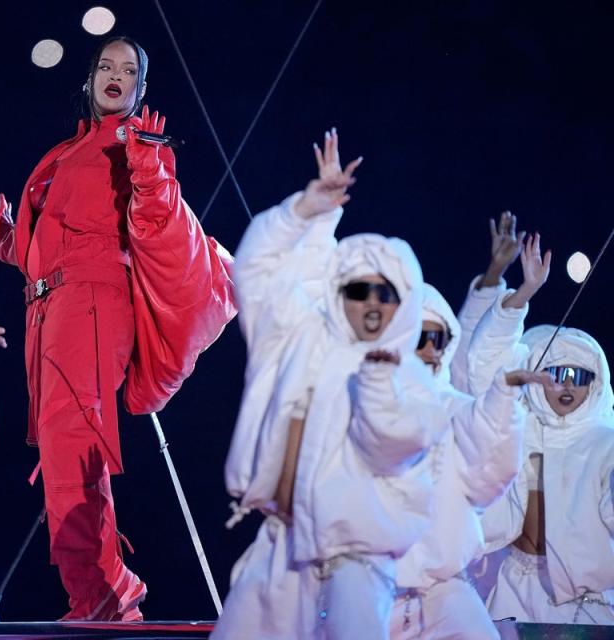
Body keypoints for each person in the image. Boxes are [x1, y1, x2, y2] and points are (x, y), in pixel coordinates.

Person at [0, 35, 236, 620]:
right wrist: (11, 244)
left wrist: (148, 167)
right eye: (105, 66)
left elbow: (156, 215)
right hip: (48, 312)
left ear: (141, 89)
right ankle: (99, 593)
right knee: (63, 449)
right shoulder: (68, 151)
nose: (114, 76)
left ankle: (105, 594)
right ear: (90, 78)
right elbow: (61, 240)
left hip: (93, 305)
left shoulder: (135, 145)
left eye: (128, 71)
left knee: (73, 446)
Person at [215, 130, 448, 640]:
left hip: (355, 564)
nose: (370, 303)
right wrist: (304, 213)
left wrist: (380, 380)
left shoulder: (414, 379)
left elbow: (390, 444)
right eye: (358, 289)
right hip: (281, 545)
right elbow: (256, 272)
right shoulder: (298, 336)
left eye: (384, 293)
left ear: (403, 301)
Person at [389, 274, 551, 639]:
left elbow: (493, 468)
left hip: (443, 592)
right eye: (421, 338)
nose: (433, 349)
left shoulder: (455, 408)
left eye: (440, 338)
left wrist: (504, 397)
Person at [471, 269, 614, 624]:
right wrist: (525, 293)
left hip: (583, 600)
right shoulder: (522, 428)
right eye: (556, 374)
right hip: (513, 588)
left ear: (595, 384)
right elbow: (485, 367)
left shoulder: (605, 442)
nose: (567, 385)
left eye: (579, 376)